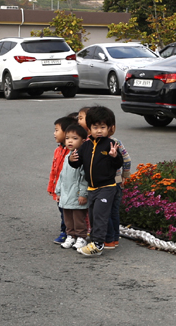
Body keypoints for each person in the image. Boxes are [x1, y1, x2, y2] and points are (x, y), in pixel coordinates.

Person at [69, 106, 124, 256]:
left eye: (103, 127)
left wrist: (114, 156)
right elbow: (77, 163)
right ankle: (96, 240)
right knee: (93, 216)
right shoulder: (86, 145)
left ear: (109, 128)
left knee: (100, 215)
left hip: (107, 187)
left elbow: (118, 163)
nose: (99, 130)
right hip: (92, 189)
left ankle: (98, 245)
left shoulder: (110, 144)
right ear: (89, 128)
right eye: (95, 127)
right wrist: (71, 159)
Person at [55, 124, 90, 250]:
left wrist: (83, 194)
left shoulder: (81, 158)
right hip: (66, 194)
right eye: (67, 138)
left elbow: (84, 178)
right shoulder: (66, 157)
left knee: (79, 218)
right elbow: (62, 175)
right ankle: (70, 235)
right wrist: (58, 191)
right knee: (68, 218)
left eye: (74, 138)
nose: (70, 141)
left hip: (76, 194)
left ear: (83, 141)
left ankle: (81, 237)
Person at [48, 114, 79, 245]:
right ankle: (68, 231)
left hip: (70, 188)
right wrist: (52, 187)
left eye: (57, 130)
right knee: (63, 210)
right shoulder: (58, 150)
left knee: (70, 212)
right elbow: (54, 171)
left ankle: (68, 232)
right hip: (59, 188)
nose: (54, 133)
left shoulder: (73, 151)